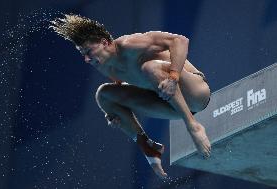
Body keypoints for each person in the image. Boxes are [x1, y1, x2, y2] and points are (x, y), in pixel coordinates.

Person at [50, 14, 211, 179]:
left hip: (196, 94)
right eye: (82, 54)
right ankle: (148, 147)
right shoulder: (104, 66)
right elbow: (130, 89)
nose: (86, 59)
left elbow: (180, 40)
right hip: (169, 105)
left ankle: (193, 127)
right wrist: (115, 113)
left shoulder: (130, 44)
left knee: (150, 68)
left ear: (104, 42)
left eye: (89, 51)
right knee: (104, 94)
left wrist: (173, 78)